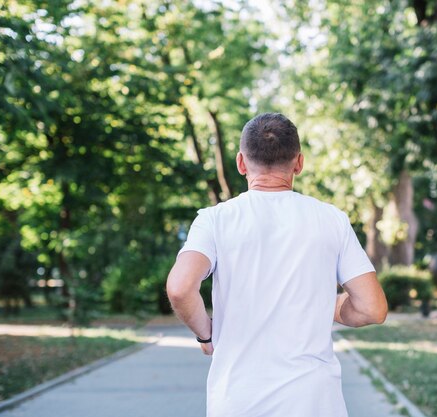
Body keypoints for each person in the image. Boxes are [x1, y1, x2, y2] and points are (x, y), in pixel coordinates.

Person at [166, 112, 388, 417]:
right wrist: (328, 305)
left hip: (237, 400)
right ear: (299, 162)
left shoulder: (214, 220)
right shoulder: (331, 219)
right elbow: (372, 308)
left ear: (241, 163)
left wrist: (207, 335)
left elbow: (179, 288)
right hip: (314, 401)